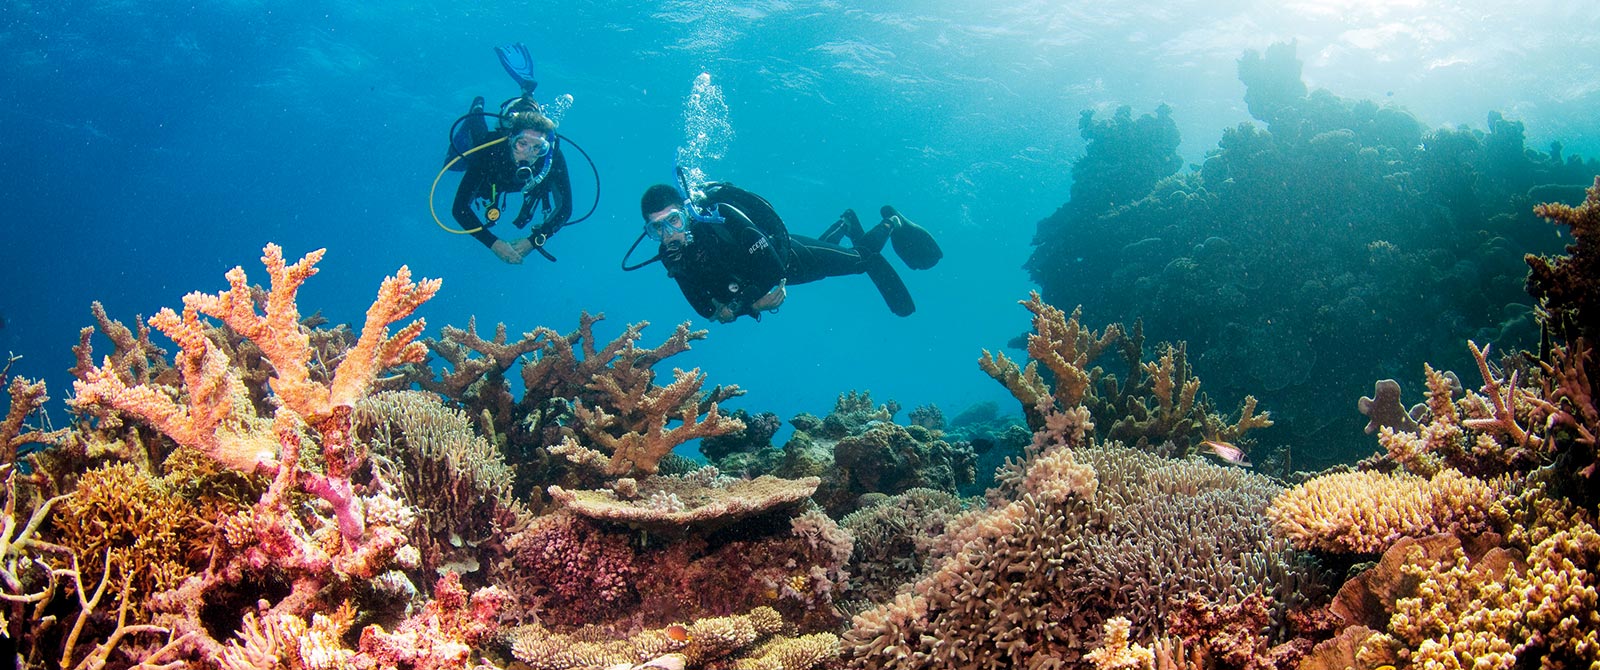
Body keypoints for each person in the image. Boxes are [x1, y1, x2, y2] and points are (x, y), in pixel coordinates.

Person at [632, 179, 942, 322]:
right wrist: (744, 307)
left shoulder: (721, 216)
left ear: (686, 213)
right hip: (770, 276)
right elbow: (706, 310)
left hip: (790, 258)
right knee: (829, 259)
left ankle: (892, 222)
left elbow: (772, 268)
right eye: (656, 228)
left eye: (673, 220)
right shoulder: (671, 256)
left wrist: (742, 305)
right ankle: (846, 223)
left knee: (861, 260)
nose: (668, 234)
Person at [444, 44, 573, 264]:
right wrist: (494, 244)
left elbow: (566, 209)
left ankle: (528, 93)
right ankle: (477, 108)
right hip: (491, 145)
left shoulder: (551, 159)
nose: (529, 153)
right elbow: (459, 207)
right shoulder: (490, 152)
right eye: (522, 144)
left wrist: (534, 241)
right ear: (510, 140)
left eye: (537, 148)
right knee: (477, 132)